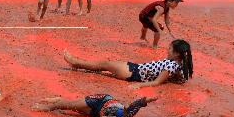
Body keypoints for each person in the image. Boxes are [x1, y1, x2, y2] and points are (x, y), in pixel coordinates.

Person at [63, 39, 193, 88]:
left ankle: (76, 62)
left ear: (177, 54)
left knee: (103, 65)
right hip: (134, 69)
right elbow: (175, 78)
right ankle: (78, 64)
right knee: (103, 67)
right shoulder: (178, 65)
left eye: (170, 48)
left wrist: (138, 86)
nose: (167, 50)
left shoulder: (171, 66)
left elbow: (157, 82)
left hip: (133, 72)